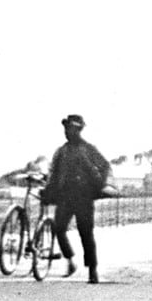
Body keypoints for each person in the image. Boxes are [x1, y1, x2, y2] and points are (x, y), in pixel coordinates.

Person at [44, 114, 111, 284]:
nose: (67, 132)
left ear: (79, 129)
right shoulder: (61, 151)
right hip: (65, 197)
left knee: (86, 233)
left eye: (71, 128)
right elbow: (53, 174)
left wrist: (99, 186)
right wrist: (48, 191)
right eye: (66, 128)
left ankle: (92, 270)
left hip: (84, 197)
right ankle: (70, 260)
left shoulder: (88, 149)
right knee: (58, 229)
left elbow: (104, 166)